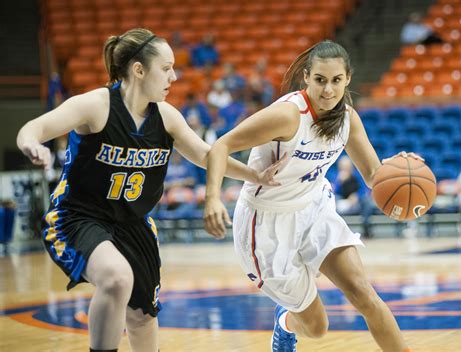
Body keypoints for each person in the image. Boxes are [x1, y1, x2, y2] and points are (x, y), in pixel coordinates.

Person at [16, 28, 280, 352]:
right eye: (166, 68)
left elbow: (207, 156)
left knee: (142, 316)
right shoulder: (96, 106)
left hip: (134, 223)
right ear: (139, 70)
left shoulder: (167, 117)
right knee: (116, 279)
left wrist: (255, 174)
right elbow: (36, 127)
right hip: (80, 217)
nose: (175, 75)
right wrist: (31, 144)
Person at [204, 40, 413, 352]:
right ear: (306, 77)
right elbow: (221, 146)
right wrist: (213, 198)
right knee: (317, 328)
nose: (328, 90)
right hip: (266, 223)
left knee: (363, 293)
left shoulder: (347, 119)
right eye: (320, 80)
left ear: (348, 80)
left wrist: (404, 176)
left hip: (314, 208)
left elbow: (373, 175)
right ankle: (285, 322)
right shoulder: (287, 116)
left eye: (336, 81)